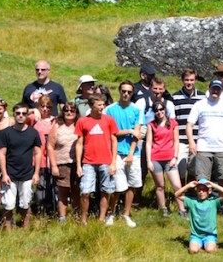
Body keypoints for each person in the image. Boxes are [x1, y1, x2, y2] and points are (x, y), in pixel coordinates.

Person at [75, 94, 118, 225]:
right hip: (88, 162)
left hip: (106, 160)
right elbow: (79, 143)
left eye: (103, 104)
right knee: (85, 191)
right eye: (99, 105)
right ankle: (83, 219)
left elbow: (114, 140)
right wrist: (78, 165)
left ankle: (101, 218)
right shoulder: (82, 121)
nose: (102, 107)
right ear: (92, 105)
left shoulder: (109, 120)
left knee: (106, 191)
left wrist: (113, 162)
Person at [105, 81, 143, 227]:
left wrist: (131, 154)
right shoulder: (110, 110)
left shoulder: (136, 110)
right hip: (116, 153)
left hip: (133, 153)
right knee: (117, 187)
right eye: (123, 91)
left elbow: (137, 133)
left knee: (132, 185)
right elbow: (112, 132)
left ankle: (126, 214)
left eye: (128, 92)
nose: (126, 94)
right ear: (119, 92)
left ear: (132, 93)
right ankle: (111, 213)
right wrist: (129, 130)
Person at [0, 103, 42, 230]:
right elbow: (2, 154)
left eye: (23, 113)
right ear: (14, 114)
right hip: (10, 175)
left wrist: (36, 173)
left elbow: (38, 153)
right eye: (18, 113)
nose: (21, 116)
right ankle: (8, 231)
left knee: (25, 203)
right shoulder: (6, 133)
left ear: (27, 115)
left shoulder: (33, 133)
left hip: (27, 174)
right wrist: (4, 174)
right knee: (8, 204)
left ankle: (25, 229)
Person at [187, 78, 223, 187]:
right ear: (209, 89)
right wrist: (191, 143)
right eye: (213, 88)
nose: (215, 91)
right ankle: (202, 202)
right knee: (202, 179)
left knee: (222, 178)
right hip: (204, 148)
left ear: (221, 91)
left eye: (218, 89)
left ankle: (220, 203)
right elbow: (189, 125)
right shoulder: (199, 105)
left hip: (222, 148)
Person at [146, 100, 186, 217]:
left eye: (161, 109)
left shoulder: (173, 123)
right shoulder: (151, 125)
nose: (159, 112)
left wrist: (175, 157)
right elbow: (148, 143)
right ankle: (163, 208)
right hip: (155, 158)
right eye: (156, 110)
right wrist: (148, 161)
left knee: (177, 185)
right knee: (160, 186)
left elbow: (176, 141)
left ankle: (182, 210)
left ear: (165, 109)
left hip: (170, 158)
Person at [175, 179, 223, 254]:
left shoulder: (213, 202)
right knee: (193, 250)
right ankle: (199, 244)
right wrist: (188, 185)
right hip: (196, 235)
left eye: (204, 189)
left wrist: (214, 185)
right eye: (199, 190)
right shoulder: (192, 202)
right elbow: (176, 195)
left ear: (209, 191)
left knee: (210, 250)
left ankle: (210, 244)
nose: (201, 192)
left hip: (210, 234)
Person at [48, 101, 80, 222]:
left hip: (77, 163)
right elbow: (50, 146)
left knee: (76, 190)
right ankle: (62, 218)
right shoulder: (57, 126)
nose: (69, 113)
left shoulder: (79, 125)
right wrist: (54, 165)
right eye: (66, 110)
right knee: (63, 191)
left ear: (76, 113)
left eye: (72, 110)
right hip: (62, 163)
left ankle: (77, 216)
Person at [172, 69, 204, 184]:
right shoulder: (175, 97)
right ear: (182, 80)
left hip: (196, 139)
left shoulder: (202, 97)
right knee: (180, 170)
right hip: (180, 139)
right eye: (186, 80)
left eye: (191, 80)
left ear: (195, 80)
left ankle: (190, 195)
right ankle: (181, 194)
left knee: (193, 169)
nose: (189, 83)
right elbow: (173, 120)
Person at [30, 95, 57, 216]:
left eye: (48, 107)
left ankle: (52, 209)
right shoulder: (34, 119)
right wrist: (32, 110)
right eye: (42, 106)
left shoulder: (55, 120)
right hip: (38, 158)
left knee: (52, 184)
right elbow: (17, 118)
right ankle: (40, 209)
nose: (45, 109)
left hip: (52, 158)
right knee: (40, 184)